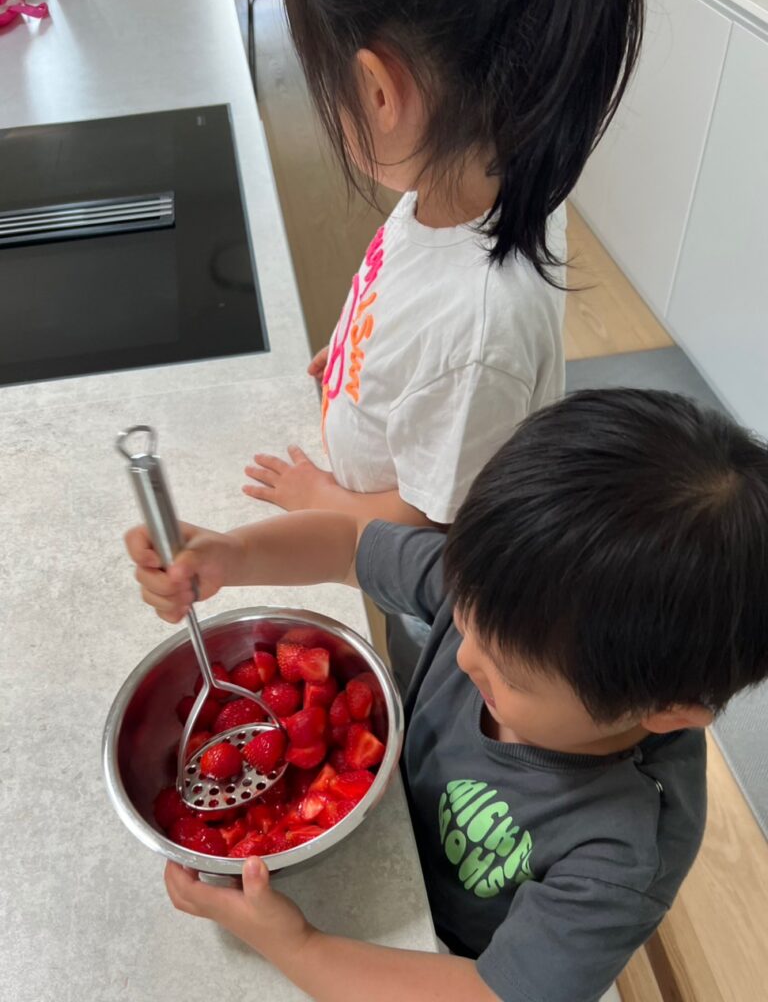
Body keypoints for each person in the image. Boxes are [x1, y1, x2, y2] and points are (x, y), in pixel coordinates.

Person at [126, 389, 768, 1002]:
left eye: (509, 676)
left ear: (664, 714)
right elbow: (351, 546)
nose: (462, 656)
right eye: (464, 616)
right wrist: (233, 555)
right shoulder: (512, 593)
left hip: (440, 955)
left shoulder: (622, 854)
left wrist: (294, 944)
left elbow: (492, 993)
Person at [241, 0, 645, 527]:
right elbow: (414, 301)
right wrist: (361, 352)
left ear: (378, 91)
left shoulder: (480, 332)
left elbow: (432, 524)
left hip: (381, 555)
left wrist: (316, 498)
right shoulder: (458, 190)